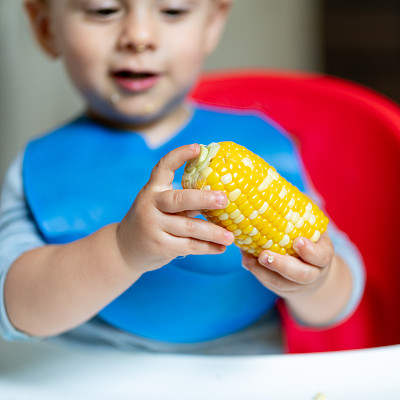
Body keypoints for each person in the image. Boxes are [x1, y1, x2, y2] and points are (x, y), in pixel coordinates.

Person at [0, 0, 364, 355]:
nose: (139, 36)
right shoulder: (37, 168)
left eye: (172, 11)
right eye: (104, 10)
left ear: (211, 23)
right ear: (46, 27)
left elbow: (338, 299)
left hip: (241, 378)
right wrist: (122, 249)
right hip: (89, 376)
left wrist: (314, 282)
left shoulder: (267, 147)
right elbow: (13, 308)